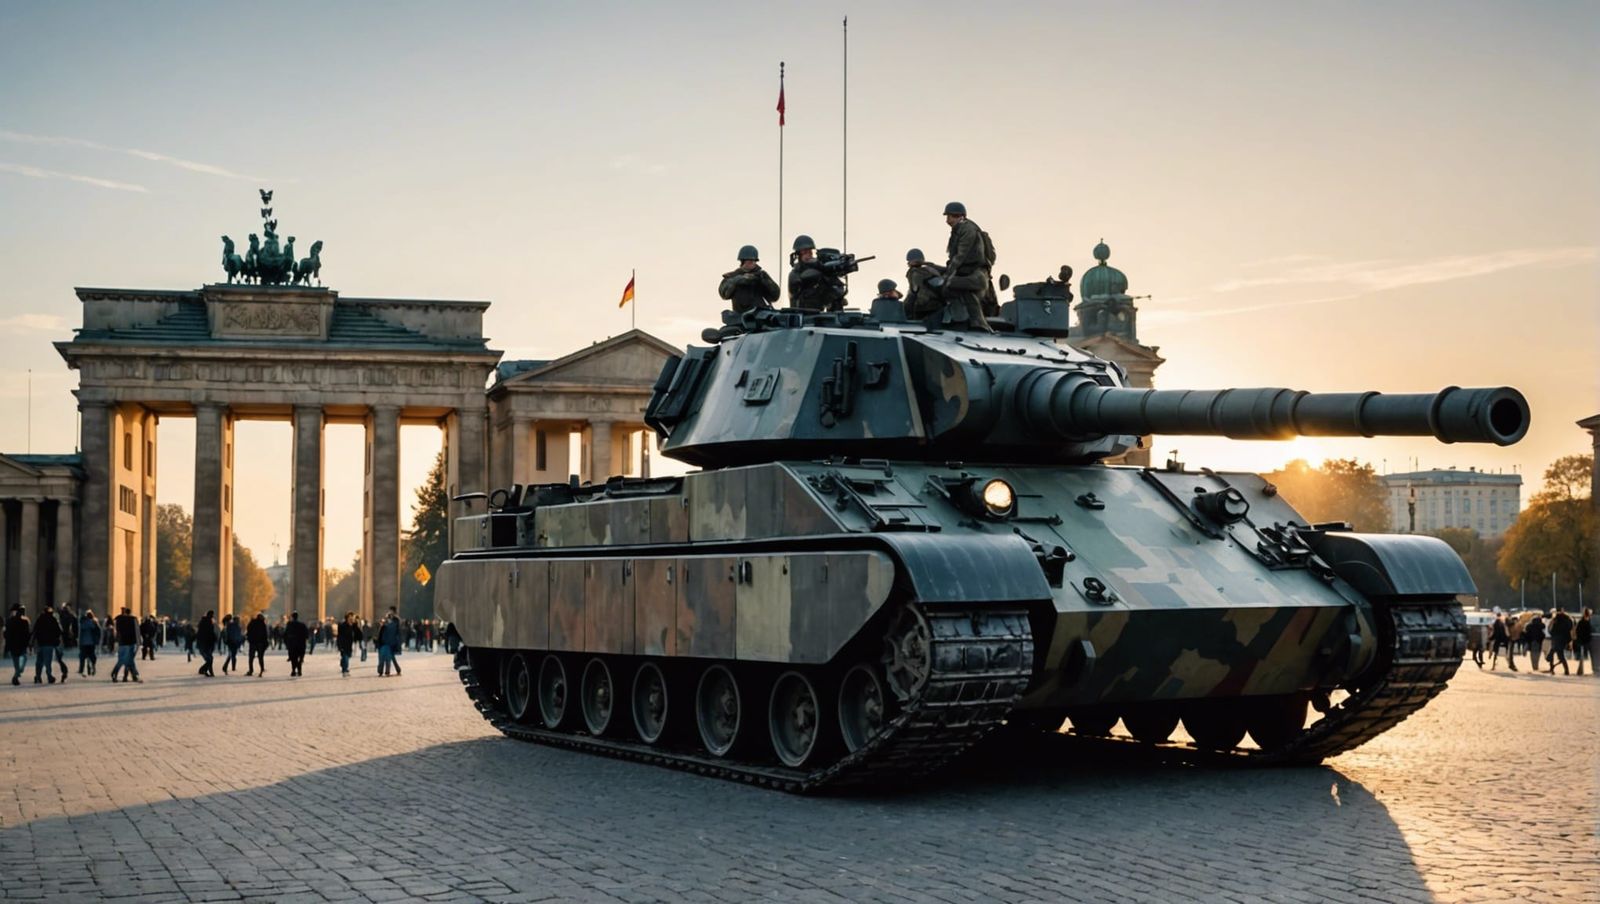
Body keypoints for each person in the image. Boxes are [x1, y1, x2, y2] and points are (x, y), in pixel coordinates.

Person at [938, 202, 995, 332]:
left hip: (976, 275)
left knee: (952, 284)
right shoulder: (959, 229)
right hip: (970, 273)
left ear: (959, 216)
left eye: (950, 216)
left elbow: (960, 255)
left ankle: (979, 323)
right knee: (953, 287)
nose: (947, 220)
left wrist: (947, 275)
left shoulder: (968, 229)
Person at [786, 235, 847, 312]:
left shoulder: (817, 268)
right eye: (805, 252)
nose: (809, 254)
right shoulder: (795, 274)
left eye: (810, 251)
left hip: (819, 313)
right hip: (802, 314)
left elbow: (835, 286)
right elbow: (796, 290)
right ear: (799, 254)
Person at [719, 245, 781, 315]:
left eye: (754, 261)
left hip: (759, 314)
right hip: (741, 315)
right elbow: (724, 294)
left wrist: (765, 281)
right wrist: (738, 280)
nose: (753, 263)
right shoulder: (733, 276)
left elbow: (775, 296)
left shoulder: (761, 275)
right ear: (743, 261)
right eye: (750, 261)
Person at [31, 604, 64, 684]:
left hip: (40, 643)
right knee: (47, 661)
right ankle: (49, 676)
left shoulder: (40, 619)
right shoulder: (53, 619)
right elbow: (59, 631)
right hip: (49, 644)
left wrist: (32, 642)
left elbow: (35, 631)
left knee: (39, 661)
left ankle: (38, 676)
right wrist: (56, 639)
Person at [110, 607, 141, 683]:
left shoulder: (118, 619)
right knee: (128, 660)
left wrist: (116, 641)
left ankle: (127, 676)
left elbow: (116, 631)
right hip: (130, 642)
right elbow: (137, 631)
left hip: (121, 643)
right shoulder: (133, 619)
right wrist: (139, 642)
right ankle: (122, 674)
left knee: (123, 660)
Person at [5, 605, 30, 686]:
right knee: (24, 658)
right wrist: (28, 644)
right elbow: (27, 634)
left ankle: (17, 674)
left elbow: (7, 634)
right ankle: (17, 674)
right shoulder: (24, 622)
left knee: (17, 662)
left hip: (14, 644)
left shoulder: (10, 621)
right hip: (21, 644)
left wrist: (8, 646)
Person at [1546, 608, 1573, 675]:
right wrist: (1569, 641)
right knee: (1561, 655)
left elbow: (1552, 631)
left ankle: (1552, 668)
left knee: (1553, 652)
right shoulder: (1567, 620)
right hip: (1563, 640)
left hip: (1556, 639)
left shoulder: (1556, 620)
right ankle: (1566, 670)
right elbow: (1569, 630)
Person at [377, 608, 402, 677]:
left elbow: (396, 632)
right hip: (389, 643)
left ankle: (384, 671)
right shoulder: (390, 622)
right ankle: (397, 670)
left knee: (386, 658)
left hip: (389, 643)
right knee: (391, 657)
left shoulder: (394, 621)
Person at [335, 612, 362, 676]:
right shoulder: (342, 625)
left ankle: (343, 666)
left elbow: (359, 634)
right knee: (345, 656)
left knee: (347, 656)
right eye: (350, 618)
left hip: (350, 644)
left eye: (352, 618)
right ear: (347, 618)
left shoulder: (353, 626)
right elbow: (339, 636)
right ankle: (345, 670)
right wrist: (339, 645)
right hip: (343, 643)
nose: (351, 619)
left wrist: (356, 624)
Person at [284, 612, 309, 677]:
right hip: (301, 643)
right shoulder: (302, 625)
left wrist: (286, 643)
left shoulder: (289, 624)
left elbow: (285, 634)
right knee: (300, 658)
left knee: (293, 658)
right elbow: (306, 635)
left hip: (292, 643)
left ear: (292, 617)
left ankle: (293, 671)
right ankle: (299, 670)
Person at [194, 610, 218, 677]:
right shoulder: (207, 622)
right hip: (205, 643)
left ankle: (205, 670)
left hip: (205, 643)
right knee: (209, 659)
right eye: (212, 615)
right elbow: (209, 633)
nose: (212, 616)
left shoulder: (204, 622)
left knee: (210, 658)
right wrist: (214, 638)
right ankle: (204, 670)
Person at [78, 609, 101, 676]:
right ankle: (92, 666)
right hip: (91, 642)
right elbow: (98, 632)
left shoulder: (83, 623)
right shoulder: (94, 622)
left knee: (83, 656)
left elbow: (80, 633)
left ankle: (82, 669)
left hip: (84, 643)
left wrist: (79, 642)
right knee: (91, 656)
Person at [245, 612, 269, 676]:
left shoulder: (252, 622)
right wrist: (265, 643)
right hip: (260, 643)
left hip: (253, 642)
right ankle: (261, 670)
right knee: (260, 657)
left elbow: (248, 630)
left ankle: (251, 670)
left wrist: (249, 639)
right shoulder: (262, 624)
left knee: (251, 657)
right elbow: (265, 635)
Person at [1576, 608, 1593, 676]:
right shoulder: (1588, 622)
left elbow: (1577, 631)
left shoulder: (1581, 622)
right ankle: (1582, 670)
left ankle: (1580, 671)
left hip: (1582, 641)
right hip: (1586, 641)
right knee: (1588, 656)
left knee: (1582, 656)